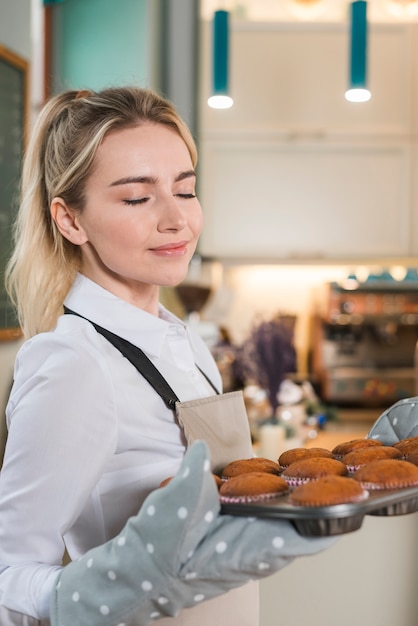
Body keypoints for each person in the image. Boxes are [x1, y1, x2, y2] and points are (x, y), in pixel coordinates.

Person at [0, 86, 336, 626]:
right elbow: (8, 571)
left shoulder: (185, 341)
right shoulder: (73, 363)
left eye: (185, 190)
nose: (176, 220)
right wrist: (91, 592)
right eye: (137, 198)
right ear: (70, 220)